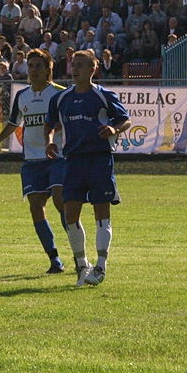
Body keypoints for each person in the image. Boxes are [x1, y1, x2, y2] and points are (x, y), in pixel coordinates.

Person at [44, 49, 132, 287]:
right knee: (70, 212)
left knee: (101, 213)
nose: (76, 69)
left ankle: (101, 266)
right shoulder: (61, 98)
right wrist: (50, 140)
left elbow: (125, 119)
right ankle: (82, 265)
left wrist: (115, 129)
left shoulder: (103, 96)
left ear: (93, 69)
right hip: (72, 161)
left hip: (99, 159)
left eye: (82, 65)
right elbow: (50, 124)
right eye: (74, 64)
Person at [0, 49, 67, 273]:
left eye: (38, 66)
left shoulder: (60, 94)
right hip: (32, 161)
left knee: (62, 202)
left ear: (49, 69)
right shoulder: (22, 96)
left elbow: (69, 120)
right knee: (36, 207)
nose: (33, 70)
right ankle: (54, 260)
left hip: (58, 157)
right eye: (30, 66)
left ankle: (80, 254)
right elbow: (13, 123)